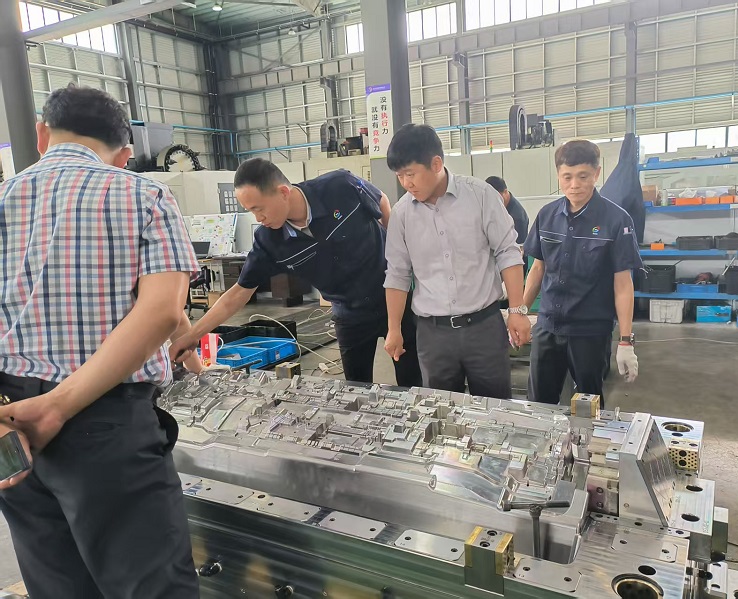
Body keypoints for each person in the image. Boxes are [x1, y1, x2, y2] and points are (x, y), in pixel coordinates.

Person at [0, 86, 200, 598]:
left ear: (42, 134)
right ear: (125, 153)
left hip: (11, 426)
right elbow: (163, 312)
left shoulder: (2, 199)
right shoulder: (144, 195)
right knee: (150, 587)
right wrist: (58, 406)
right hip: (106, 424)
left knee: (57, 585)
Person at [170, 159, 422, 387]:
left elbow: (381, 201)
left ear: (283, 192)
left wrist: (399, 254)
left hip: (394, 300)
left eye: (259, 208)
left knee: (413, 382)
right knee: (356, 388)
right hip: (349, 314)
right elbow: (237, 294)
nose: (259, 218)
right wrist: (192, 336)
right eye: (251, 211)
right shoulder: (269, 241)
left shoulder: (340, 186)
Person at [383, 124, 530, 399]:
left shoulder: (481, 196)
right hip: (433, 335)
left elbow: (508, 252)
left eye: (410, 174)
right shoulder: (402, 214)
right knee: (440, 410)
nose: (406, 183)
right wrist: (394, 329)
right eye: (400, 176)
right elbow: (397, 274)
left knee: (494, 408)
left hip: (484, 329)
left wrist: (517, 311)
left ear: (436, 164)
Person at [522, 139, 642, 406]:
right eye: (567, 177)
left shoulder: (617, 220)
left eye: (583, 176)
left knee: (588, 407)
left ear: (597, 173)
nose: (574, 184)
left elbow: (623, 284)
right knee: (538, 404)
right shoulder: (546, 215)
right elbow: (537, 269)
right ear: (558, 175)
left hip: (590, 332)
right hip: (547, 327)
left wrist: (625, 341)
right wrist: (520, 312)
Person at [485, 176, 530, 246]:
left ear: (505, 192)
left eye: (496, 198)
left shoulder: (518, 217)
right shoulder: (500, 205)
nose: (492, 202)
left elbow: (517, 247)